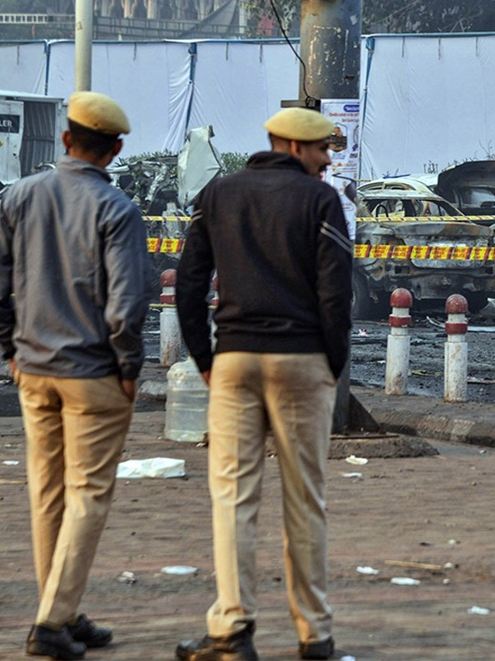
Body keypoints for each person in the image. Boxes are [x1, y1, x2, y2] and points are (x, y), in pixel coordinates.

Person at [174, 107, 353, 661]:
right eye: (323, 149)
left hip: (234, 359)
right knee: (306, 497)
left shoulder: (219, 194)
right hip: (300, 361)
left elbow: (188, 282)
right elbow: (335, 293)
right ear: (295, 147)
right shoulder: (320, 201)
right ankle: (314, 635)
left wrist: (204, 355)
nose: (328, 160)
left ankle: (230, 630)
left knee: (232, 496)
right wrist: (331, 361)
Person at [0, 92, 151, 659]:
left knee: (48, 493)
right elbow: (126, 306)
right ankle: (51, 622)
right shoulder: (117, 209)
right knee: (89, 495)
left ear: (65, 140)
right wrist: (129, 366)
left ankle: (63, 609)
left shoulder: (20, 195)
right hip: (94, 373)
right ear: (116, 149)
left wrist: (9, 347)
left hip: (33, 368)